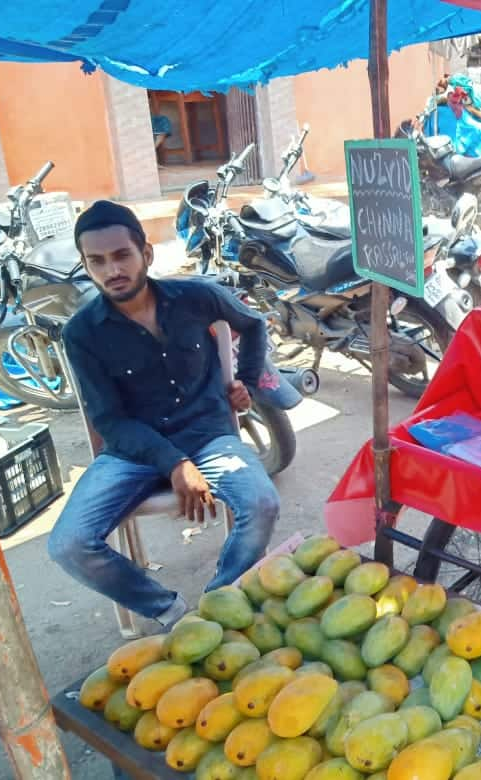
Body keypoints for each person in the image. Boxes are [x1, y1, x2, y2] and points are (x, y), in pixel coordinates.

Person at [49, 201, 280, 629]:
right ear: (85, 265)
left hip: (208, 436)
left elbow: (253, 324)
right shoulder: (81, 332)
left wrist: (244, 380)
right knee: (68, 544)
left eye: (121, 255)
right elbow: (110, 421)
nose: (111, 269)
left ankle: (219, 603)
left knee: (262, 502)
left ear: (146, 254)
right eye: (96, 261)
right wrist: (174, 462)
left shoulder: (196, 296)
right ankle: (170, 611)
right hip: (131, 451)